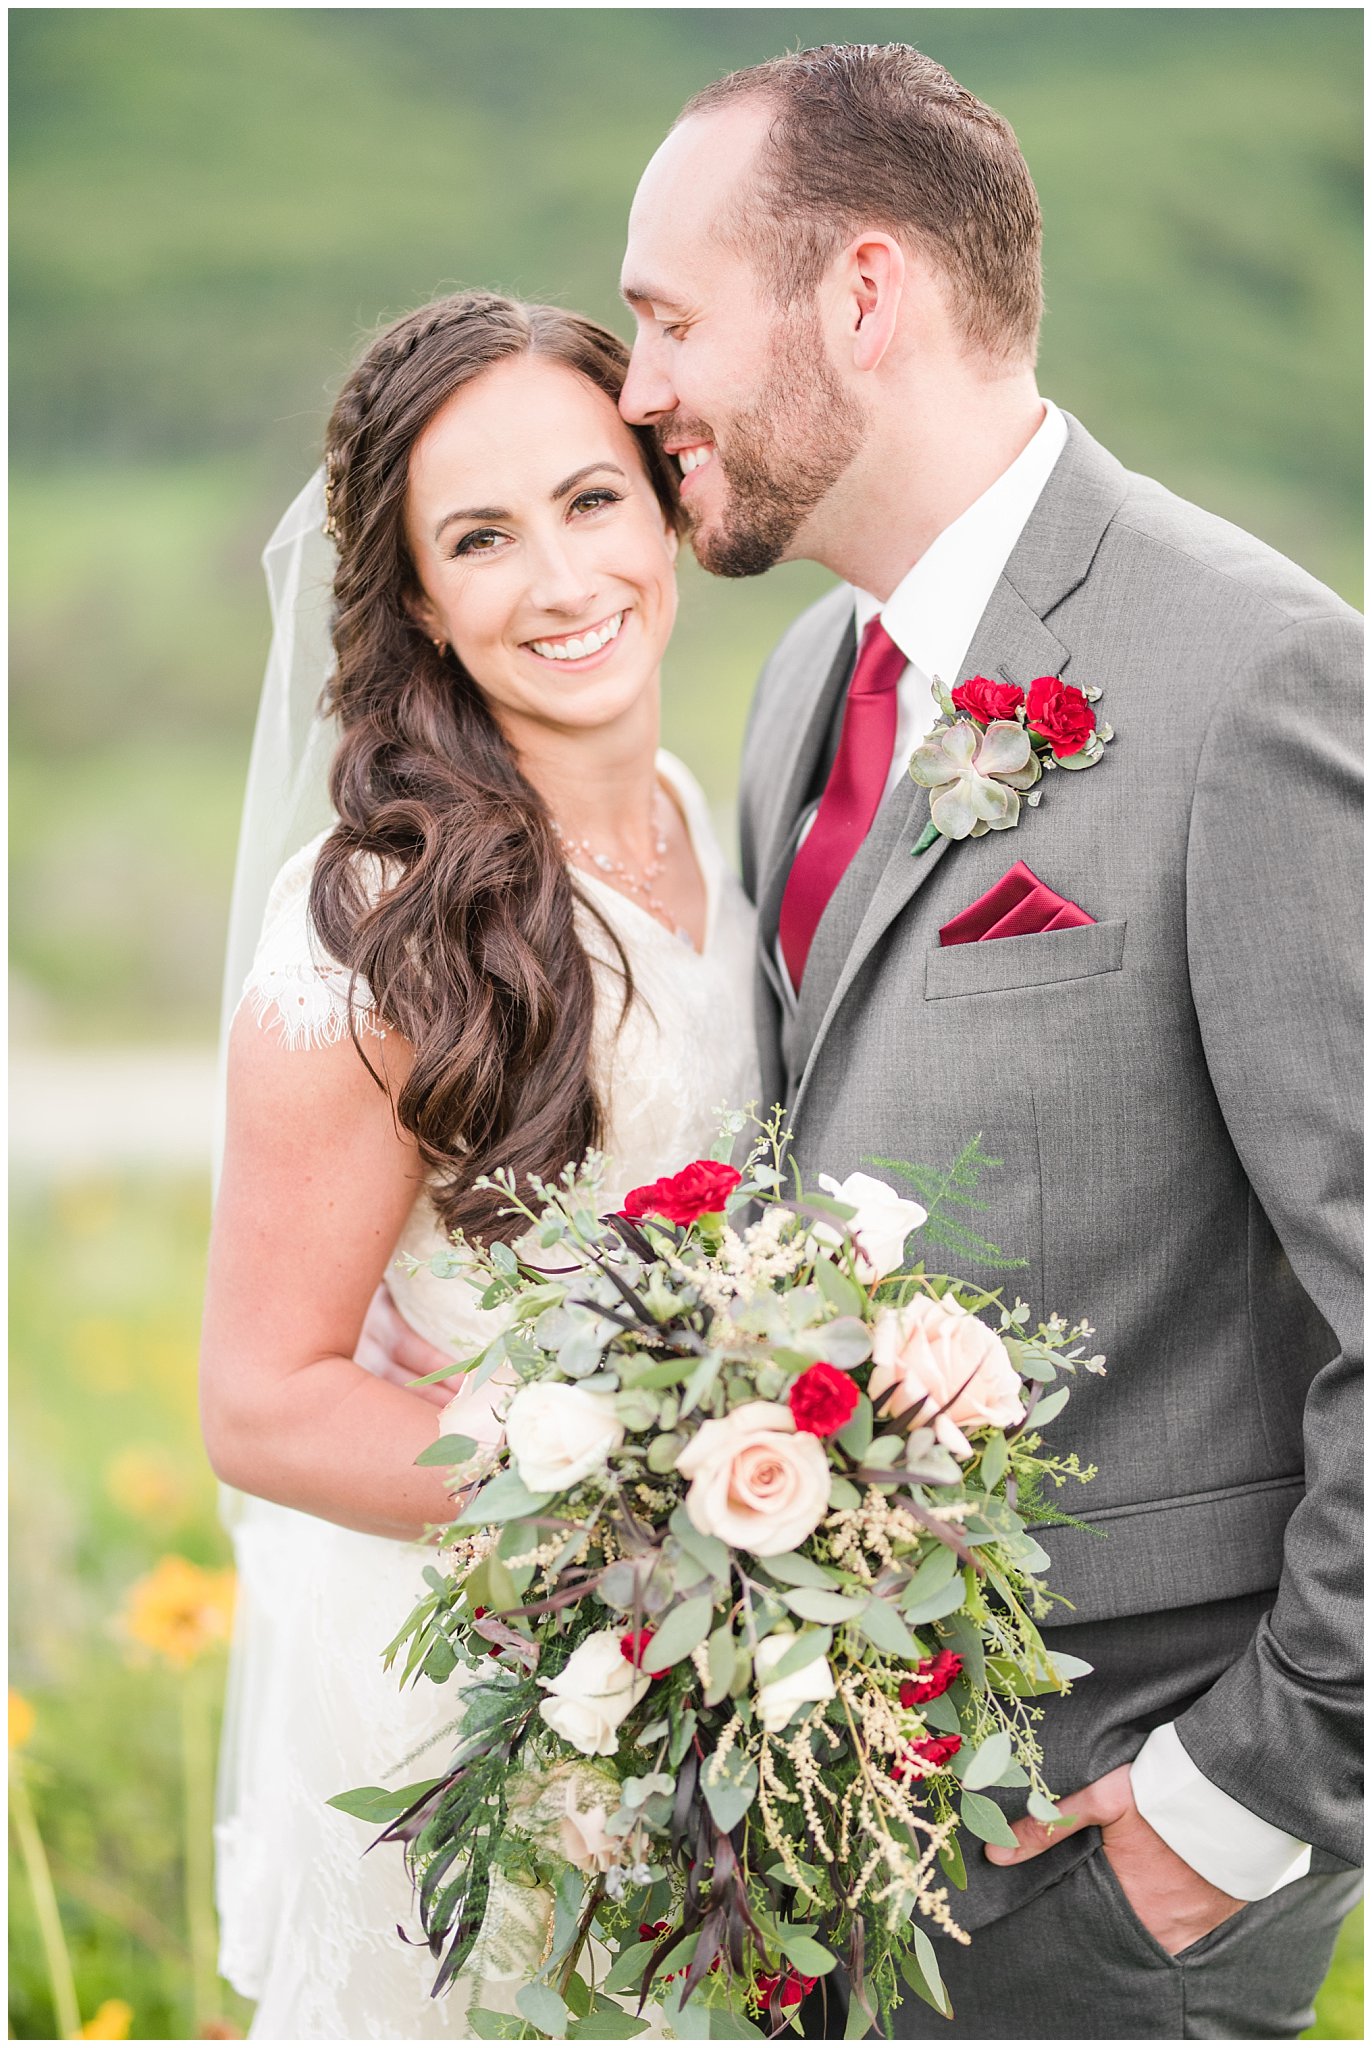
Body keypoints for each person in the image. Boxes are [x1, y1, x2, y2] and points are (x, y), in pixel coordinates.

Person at [613, 41, 1361, 2042]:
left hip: (1114, 1862)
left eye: (668, 316)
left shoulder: (1251, 671)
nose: (636, 387)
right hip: (832, 1835)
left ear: (862, 296)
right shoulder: (797, 687)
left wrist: (1244, 1801)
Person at [200, 291, 759, 2039]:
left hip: (689, 1659)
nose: (564, 577)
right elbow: (267, 1401)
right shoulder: (377, 926)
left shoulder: (686, 808)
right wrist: (651, 1498)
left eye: (593, 500)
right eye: (482, 539)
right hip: (464, 1698)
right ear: (422, 603)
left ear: (666, 501)